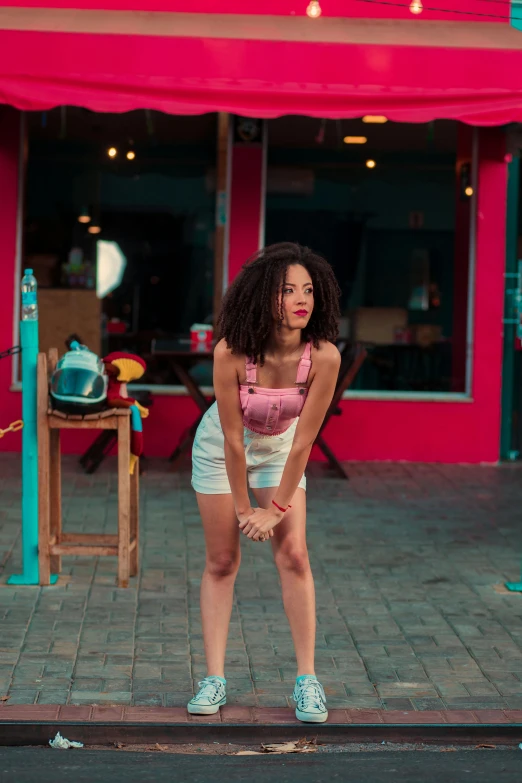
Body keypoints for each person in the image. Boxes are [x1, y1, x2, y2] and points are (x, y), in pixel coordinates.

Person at [188, 242, 341, 723]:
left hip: (281, 452)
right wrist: (242, 510)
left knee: (294, 554)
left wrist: (274, 509)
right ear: (262, 298)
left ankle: (307, 681)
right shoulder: (232, 353)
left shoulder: (324, 357)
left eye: (309, 290)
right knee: (222, 559)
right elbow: (233, 440)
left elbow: (303, 444)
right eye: (288, 290)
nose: (302, 300)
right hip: (220, 450)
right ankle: (213, 679)